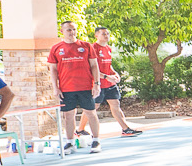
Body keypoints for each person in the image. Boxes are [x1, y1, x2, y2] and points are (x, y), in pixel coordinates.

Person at [45, 20, 102, 152]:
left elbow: (94, 66)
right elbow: (53, 69)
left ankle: (96, 141)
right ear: (62, 32)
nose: (72, 32)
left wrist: (97, 84)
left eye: (74, 29)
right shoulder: (56, 48)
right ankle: (70, 142)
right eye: (69, 30)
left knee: (90, 113)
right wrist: (55, 87)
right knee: (68, 115)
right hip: (66, 88)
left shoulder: (86, 46)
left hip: (85, 86)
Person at [92, 26, 143, 137]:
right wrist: (106, 77)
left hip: (110, 84)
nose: (106, 36)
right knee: (92, 107)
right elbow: (92, 69)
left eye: (107, 33)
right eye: (103, 34)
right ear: (96, 35)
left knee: (116, 104)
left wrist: (115, 74)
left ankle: (126, 129)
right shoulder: (93, 48)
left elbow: (108, 65)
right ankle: (80, 130)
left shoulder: (108, 48)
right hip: (98, 84)